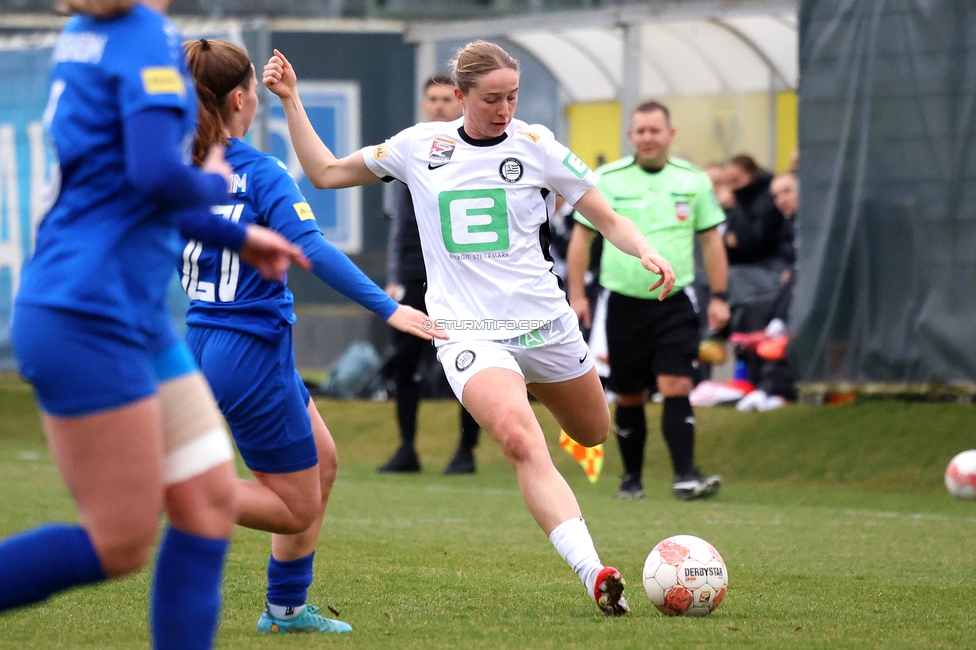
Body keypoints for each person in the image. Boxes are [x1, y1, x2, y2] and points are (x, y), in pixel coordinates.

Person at [264, 39, 676, 616]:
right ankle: (594, 572)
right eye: (491, 99)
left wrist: (645, 250)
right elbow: (326, 173)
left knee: (592, 432)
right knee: (518, 438)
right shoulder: (417, 146)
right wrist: (291, 101)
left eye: (512, 96)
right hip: (467, 331)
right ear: (459, 97)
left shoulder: (537, 146)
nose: (504, 109)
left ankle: (545, 404)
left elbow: (606, 217)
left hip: (546, 325)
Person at [0, 2, 307, 649]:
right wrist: (212, 185)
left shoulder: (90, 32)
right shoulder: (142, 33)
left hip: (125, 313)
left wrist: (236, 235)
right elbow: (153, 174)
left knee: (208, 504)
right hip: (89, 313)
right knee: (120, 540)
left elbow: (123, 188)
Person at [180, 39, 440, 635]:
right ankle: (175, 491)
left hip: (207, 338)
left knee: (321, 462)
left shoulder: (180, 169)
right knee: (294, 506)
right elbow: (312, 249)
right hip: (249, 348)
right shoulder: (255, 170)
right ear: (244, 99)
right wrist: (389, 309)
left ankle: (286, 610)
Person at [566, 100, 729, 501]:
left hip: (674, 302)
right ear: (630, 136)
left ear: (670, 135)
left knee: (676, 383)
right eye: (640, 131)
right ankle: (631, 479)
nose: (648, 138)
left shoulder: (694, 181)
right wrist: (576, 295)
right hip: (623, 302)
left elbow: (711, 241)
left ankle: (686, 476)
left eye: (655, 130)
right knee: (629, 393)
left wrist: (721, 295)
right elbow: (581, 239)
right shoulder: (607, 179)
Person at [380, 74, 481, 475]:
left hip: (462, 277)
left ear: (459, 101)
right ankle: (407, 448)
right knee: (405, 361)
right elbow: (400, 223)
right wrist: (394, 275)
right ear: (424, 104)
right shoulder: (412, 150)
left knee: (473, 358)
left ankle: (466, 450)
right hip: (414, 273)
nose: (439, 105)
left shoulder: (476, 151)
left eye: (446, 98)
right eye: (432, 99)